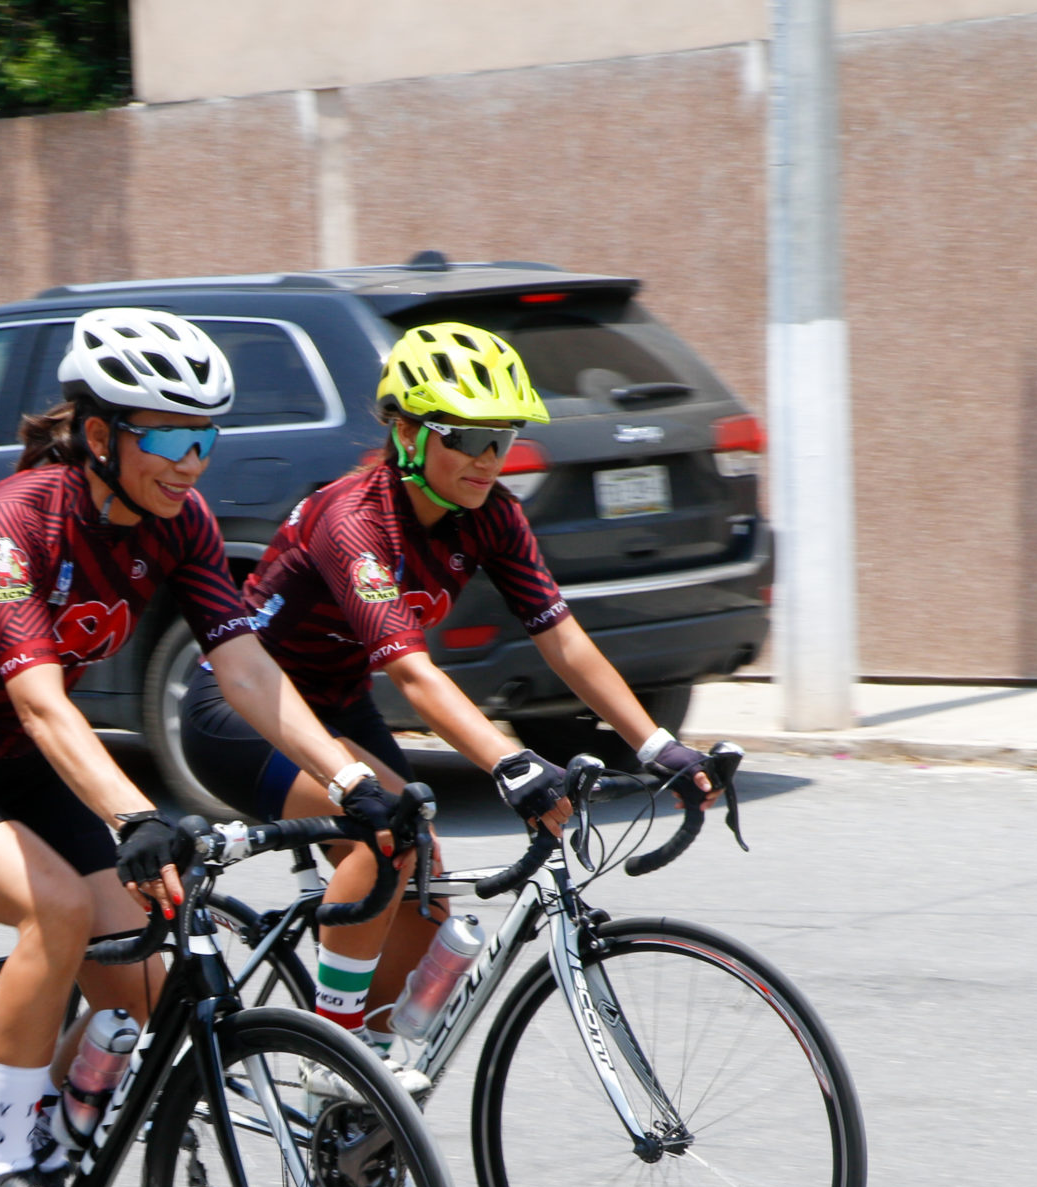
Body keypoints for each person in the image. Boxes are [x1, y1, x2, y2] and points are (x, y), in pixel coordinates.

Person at [0, 308, 401, 1187]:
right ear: (99, 435)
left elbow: (248, 668)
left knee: (145, 969)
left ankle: (49, 1120)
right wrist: (134, 812)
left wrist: (346, 775)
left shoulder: (182, 525)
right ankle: (4, 1171)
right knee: (55, 910)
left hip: (18, 762)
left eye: (207, 436)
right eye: (171, 436)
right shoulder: (15, 523)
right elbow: (41, 696)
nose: (192, 461)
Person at [178, 322, 713, 1086]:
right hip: (243, 712)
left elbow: (563, 640)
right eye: (465, 436)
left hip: (339, 702)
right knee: (386, 837)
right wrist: (511, 763)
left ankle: (369, 1080)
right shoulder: (355, 518)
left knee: (423, 875)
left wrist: (659, 745)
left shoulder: (492, 513)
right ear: (404, 430)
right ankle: (329, 1052)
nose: (488, 459)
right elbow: (415, 674)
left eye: (503, 438)